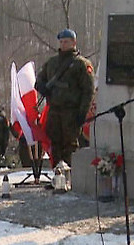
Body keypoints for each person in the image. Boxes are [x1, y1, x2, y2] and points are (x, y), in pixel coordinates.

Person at [34, 28, 95, 167]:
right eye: (61, 42)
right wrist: (42, 88)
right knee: (55, 145)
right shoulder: (52, 63)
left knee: (70, 146)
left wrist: (82, 113)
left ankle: (69, 178)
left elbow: (88, 91)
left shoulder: (81, 64)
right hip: (54, 111)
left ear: (74, 42)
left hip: (71, 112)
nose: (63, 44)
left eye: (66, 41)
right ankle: (58, 176)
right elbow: (39, 80)